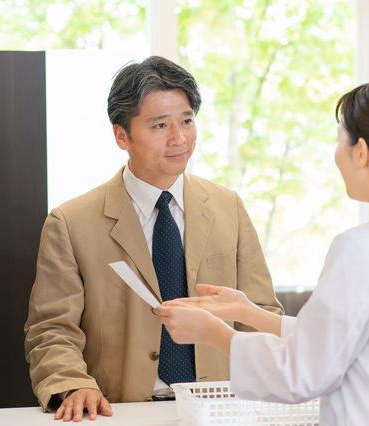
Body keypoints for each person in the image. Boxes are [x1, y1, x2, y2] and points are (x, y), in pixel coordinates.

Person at [156, 75, 369, 425]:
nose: (335, 155)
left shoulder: (362, 248)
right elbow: (355, 340)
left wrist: (213, 332)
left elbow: (302, 374)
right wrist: (250, 312)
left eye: (339, 139)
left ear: (361, 152)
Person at [24, 56, 283, 422]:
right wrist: (72, 383)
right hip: (119, 411)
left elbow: (262, 313)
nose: (179, 139)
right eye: (160, 125)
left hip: (221, 406)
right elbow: (51, 329)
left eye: (187, 121)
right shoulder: (71, 222)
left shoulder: (229, 206)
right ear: (121, 135)